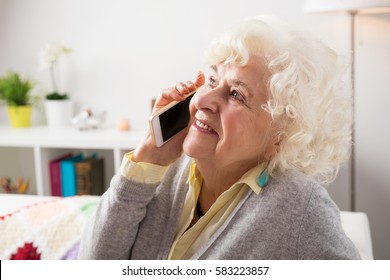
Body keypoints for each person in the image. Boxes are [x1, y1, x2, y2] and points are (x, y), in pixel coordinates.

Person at [78, 15, 361, 259]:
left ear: (281, 136)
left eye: (236, 94)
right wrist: (148, 155)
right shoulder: (162, 169)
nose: (205, 100)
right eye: (212, 80)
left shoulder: (300, 208)